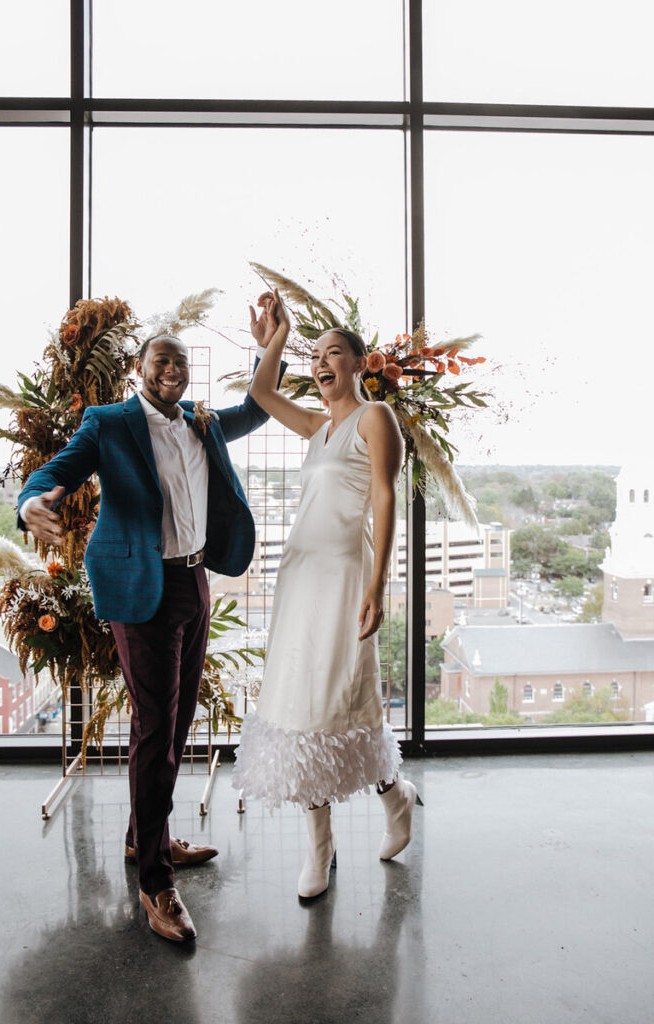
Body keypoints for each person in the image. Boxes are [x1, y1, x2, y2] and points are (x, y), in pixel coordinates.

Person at [18, 331, 284, 942]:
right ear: (140, 369)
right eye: (161, 360)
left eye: (181, 362)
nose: (172, 369)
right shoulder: (108, 423)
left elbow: (260, 402)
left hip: (195, 583)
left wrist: (274, 343)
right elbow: (57, 471)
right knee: (155, 729)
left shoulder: (202, 421)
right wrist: (33, 500)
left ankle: (147, 838)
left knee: (177, 720)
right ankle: (156, 884)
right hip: (141, 591)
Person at [232, 291, 421, 899]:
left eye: (334, 352)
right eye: (316, 355)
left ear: (360, 364)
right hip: (300, 578)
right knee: (295, 708)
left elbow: (387, 500)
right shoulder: (316, 427)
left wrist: (378, 585)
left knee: (344, 702)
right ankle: (320, 848)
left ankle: (397, 798)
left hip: (345, 578)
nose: (322, 363)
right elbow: (261, 396)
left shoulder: (374, 419)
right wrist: (278, 339)